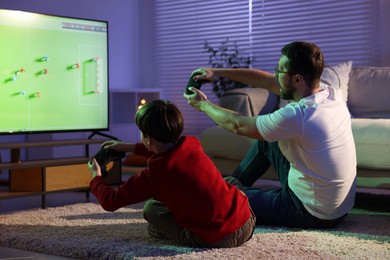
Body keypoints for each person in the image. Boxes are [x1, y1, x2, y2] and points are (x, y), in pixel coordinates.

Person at [184, 41, 356, 229]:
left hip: (311, 212)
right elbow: (267, 81)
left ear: (298, 80)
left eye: (280, 71)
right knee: (270, 141)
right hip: (337, 207)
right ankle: (232, 185)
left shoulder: (298, 115)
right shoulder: (330, 93)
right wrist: (217, 72)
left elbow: (238, 125)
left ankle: (226, 193)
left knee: (220, 198)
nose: (275, 74)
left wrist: (203, 105)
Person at [88, 100, 256, 248]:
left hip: (218, 239)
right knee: (226, 181)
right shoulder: (192, 145)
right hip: (247, 220)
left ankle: (179, 234)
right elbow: (167, 151)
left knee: (151, 208)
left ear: (148, 139)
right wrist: (127, 147)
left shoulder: (154, 175)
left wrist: (96, 177)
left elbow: (110, 201)